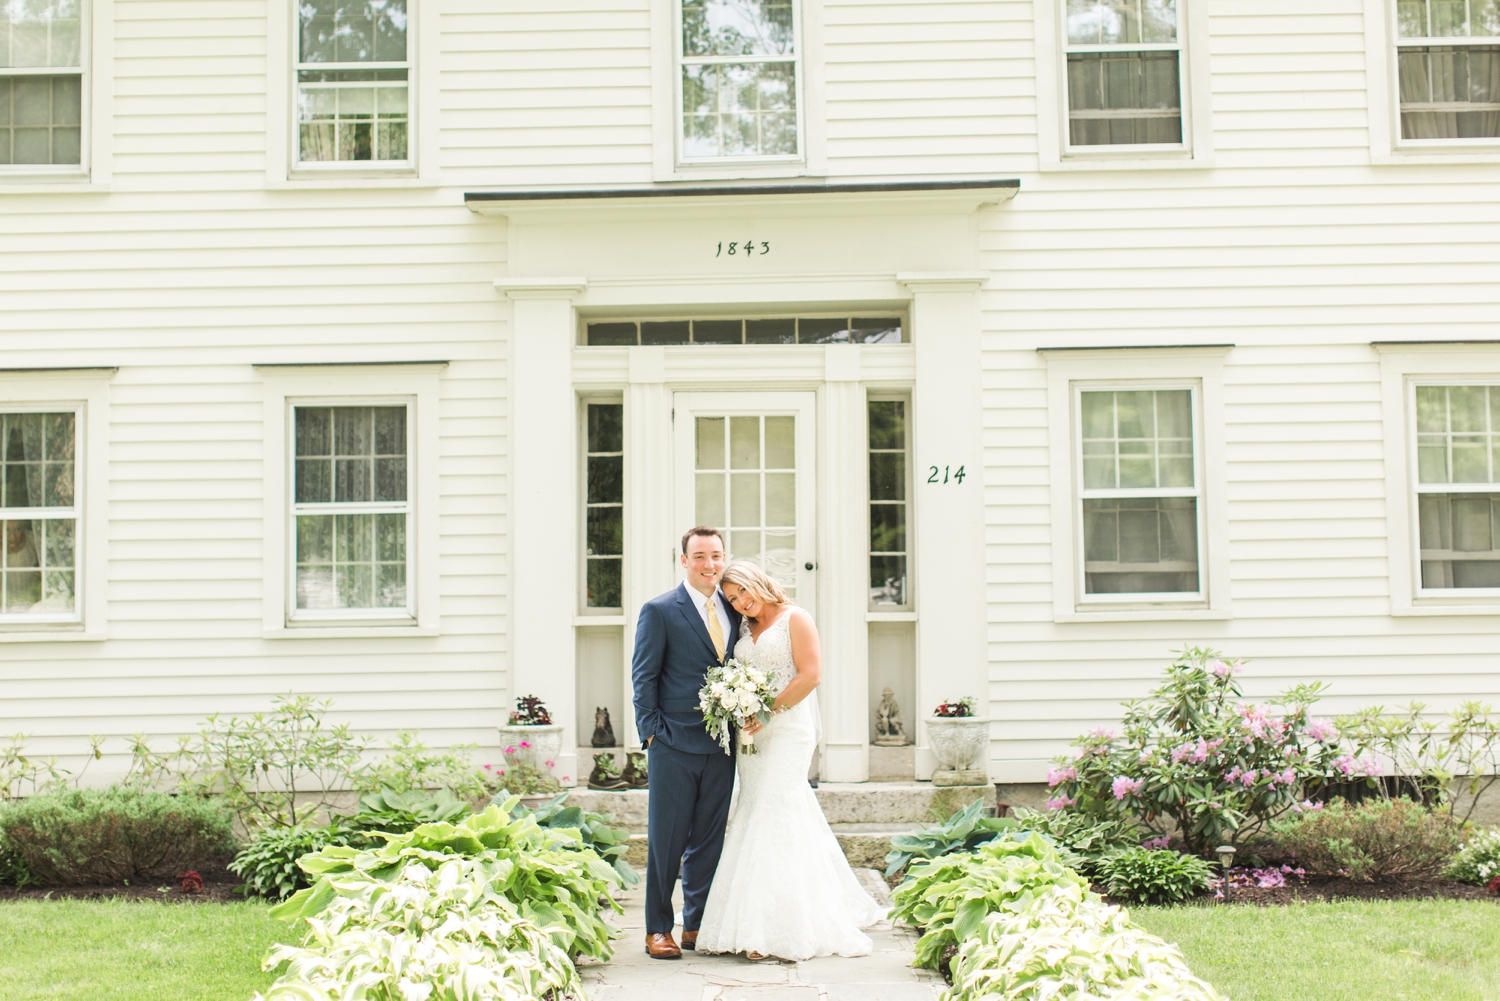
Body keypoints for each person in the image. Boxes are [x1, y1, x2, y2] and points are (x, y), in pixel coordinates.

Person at [694, 561, 883, 962]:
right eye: (732, 599)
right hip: (754, 734)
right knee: (755, 811)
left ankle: (775, 929)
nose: (741, 602)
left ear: (759, 583)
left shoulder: (795, 618)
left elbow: (811, 675)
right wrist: (737, 703)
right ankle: (751, 920)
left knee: (774, 810)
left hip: (787, 729)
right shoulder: (744, 630)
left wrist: (767, 712)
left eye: (744, 592)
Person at [630, 527, 742, 960]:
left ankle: (695, 924)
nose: (709, 564)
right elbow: (644, 677)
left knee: (708, 839)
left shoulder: (735, 610)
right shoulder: (660, 610)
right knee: (667, 840)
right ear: (683, 560)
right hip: (673, 743)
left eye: (715, 555)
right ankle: (658, 928)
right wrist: (652, 732)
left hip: (721, 745)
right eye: (699, 556)